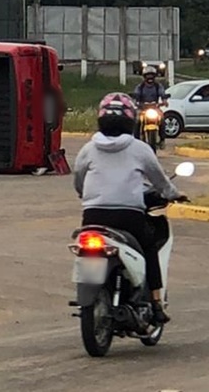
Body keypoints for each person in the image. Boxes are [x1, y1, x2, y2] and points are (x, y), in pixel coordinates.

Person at [72, 92, 187, 324]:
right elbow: (160, 181)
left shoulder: (88, 149)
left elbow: (79, 178)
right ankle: (155, 304)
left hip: (93, 215)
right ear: (130, 120)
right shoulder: (140, 149)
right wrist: (174, 195)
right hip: (129, 216)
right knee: (150, 248)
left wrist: (85, 195)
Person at [132, 65, 168, 148]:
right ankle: (135, 140)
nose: (150, 78)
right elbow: (136, 95)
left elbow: (162, 94)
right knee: (137, 121)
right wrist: (135, 102)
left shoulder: (158, 86)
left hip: (154, 108)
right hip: (142, 108)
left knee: (162, 119)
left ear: (155, 76)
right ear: (144, 77)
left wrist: (164, 101)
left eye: (152, 75)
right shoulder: (140, 87)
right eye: (148, 76)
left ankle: (162, 140)